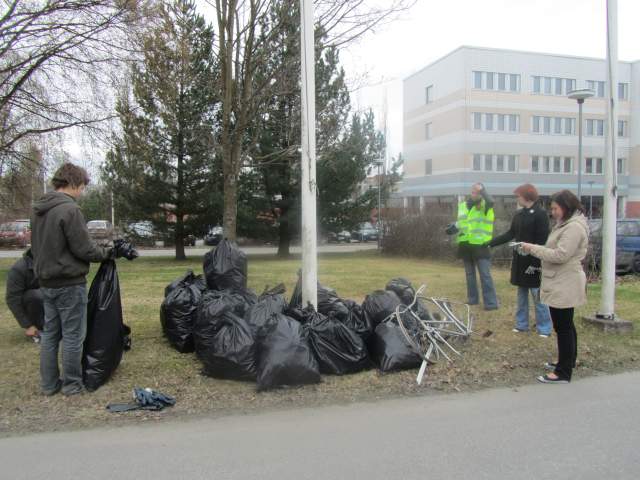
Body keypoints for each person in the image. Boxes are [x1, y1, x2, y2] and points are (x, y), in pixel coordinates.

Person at [31, 163, 126, 396]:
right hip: (68, 283)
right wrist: (107, 253)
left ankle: (49, 384)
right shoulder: (69, 210)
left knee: (51, 334)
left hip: (46, 281)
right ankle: (72, 385)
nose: (82, 191)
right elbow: (84, 248)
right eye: (82, 186)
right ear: (73, 183)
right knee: (73, 335)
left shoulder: (38, 210)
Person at [521, 190, 589, 384]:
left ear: (566, 207)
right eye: (552, 208)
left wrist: (532, 248)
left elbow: (561, 255)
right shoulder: (566, 224)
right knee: (566, 324)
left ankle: (563, 372)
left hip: (565, 281)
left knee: (563, 326)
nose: (553, 212)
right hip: (560, 280)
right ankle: (569, 360)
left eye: (555, 208)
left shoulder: (573, 227)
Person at [488, 184, 551, 337]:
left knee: (537, 295)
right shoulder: (518, 214)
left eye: (518, 195)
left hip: (535, 261)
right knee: (521, 293)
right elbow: (511, 233)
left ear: (526, 196)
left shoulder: (540, 214)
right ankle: (521, 325)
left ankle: (544, 328)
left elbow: (542, 239)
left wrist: (531, 251)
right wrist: (490, 242)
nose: (517, 198)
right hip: (520, 261)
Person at [447, 183, 498, 310]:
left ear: (481, 194)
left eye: (477, 192)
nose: (474, 194)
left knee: (485, 275)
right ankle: (472, 299)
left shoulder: (485, 206)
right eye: (473, 192)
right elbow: (462, 223)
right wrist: (452, 228)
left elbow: (491, 201)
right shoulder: (463, 206)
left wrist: (483, 189)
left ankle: (491, 303)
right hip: (465, 245)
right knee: (469, 275)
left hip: (480, 245)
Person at [5, 248, 44, 340]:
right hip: (32, 303)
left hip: (49, 302)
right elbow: (13, 299)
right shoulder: (18, 269)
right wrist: (28, 325)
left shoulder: (51, 263)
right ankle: (38, 329)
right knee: (35, 295)